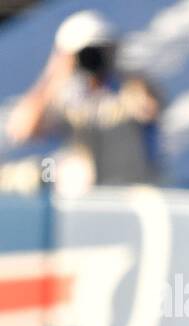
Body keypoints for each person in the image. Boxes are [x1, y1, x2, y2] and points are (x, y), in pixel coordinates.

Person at [5, 9, 163, 192]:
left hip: (127, 195)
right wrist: (56, 72)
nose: (93, 58)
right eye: (85, 52)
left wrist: (123, 77)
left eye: (101, 50)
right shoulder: (65, 95)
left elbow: (150, 108)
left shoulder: (131, 87)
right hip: (82, 199)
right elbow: (23, 130)